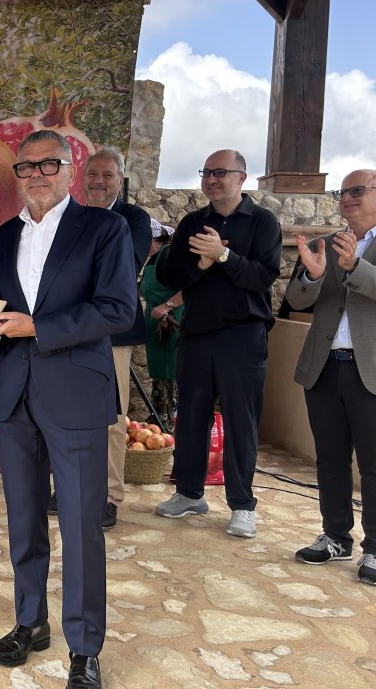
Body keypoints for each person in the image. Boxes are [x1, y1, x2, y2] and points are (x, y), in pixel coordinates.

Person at [0, 130, 136, 688]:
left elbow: (118, 309)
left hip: (76, 395)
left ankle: (85, 647)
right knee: (24, 520)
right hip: (15, 393)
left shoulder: (104, 229)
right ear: (17, 176)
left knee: (80, 525)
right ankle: (30, 622)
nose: (38, 175)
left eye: (49, 164)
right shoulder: (2, 236)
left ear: (70, 170)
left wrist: (38, 328)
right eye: (27, 167)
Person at [154, 149, 281, 540]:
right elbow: (170, 274)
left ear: (241, 177)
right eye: (206, 172)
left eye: (220, 172)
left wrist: (223, 255)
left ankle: (242, 505)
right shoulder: (193, 222)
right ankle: (189, 493)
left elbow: (263, 277)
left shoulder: (263, 221)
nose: (211, 179)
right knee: (191, 417)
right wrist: (200, 264)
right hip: (196, 334)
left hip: (243, 335)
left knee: (241, 422)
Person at [285, 169, 376, 585]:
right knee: (331, 459)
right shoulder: (326, 243)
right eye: (343, 191)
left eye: (358, 190)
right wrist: (315, 274)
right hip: (323, 367)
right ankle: (336, 536)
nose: (348, 198)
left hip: (369, 372)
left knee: (373, 465)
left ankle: (374, 548)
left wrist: (355, 265)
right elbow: (296, 299)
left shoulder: (351, 251)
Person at [78, 147, 151, 530]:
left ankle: (108, 496)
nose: (99, 182)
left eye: (107, 175)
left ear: (119, 181)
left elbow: (125, 265)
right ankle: (72, 488)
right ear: (82, 178)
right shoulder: (70, 217)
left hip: (113, 333)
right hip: (71, 328)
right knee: (69, 414)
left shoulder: (133, 219)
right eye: (93, 174)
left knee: (111, 417)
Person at [140, 219, 183, 432]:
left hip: (171, 324)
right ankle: (160, 419)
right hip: (156, 326)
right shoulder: (152, 259)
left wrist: (167, 306)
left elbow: (189, 288)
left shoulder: (169, 257)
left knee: (170, 373)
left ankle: (170, 424)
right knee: (159, 375)